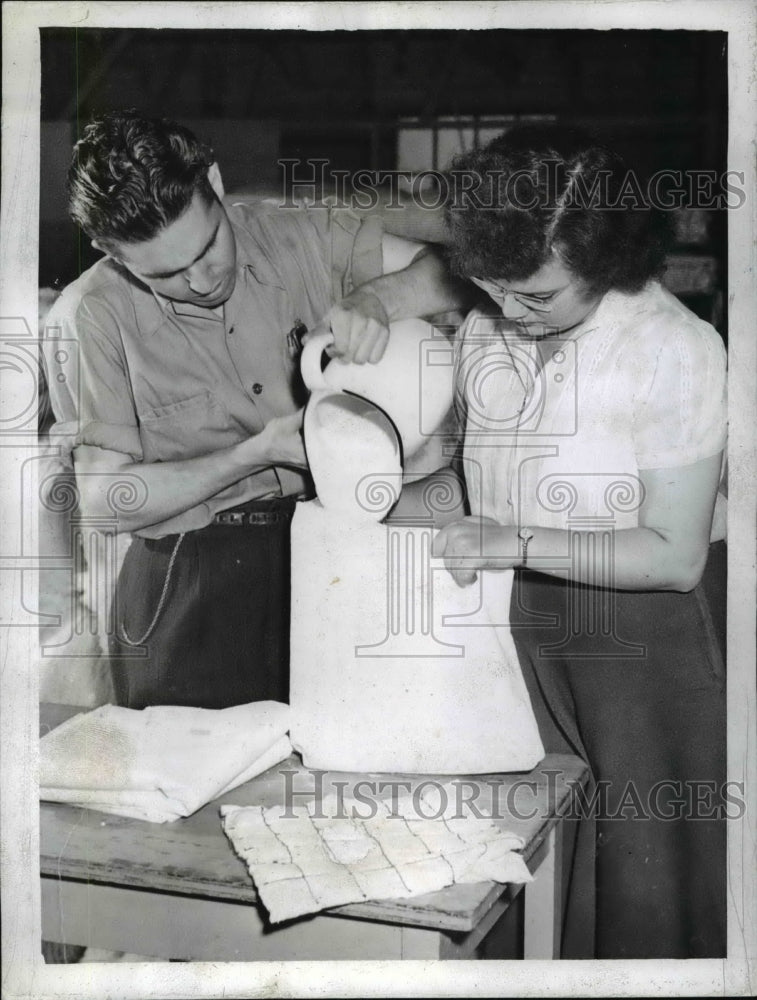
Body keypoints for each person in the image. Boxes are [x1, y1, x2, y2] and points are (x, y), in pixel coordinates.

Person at [400, 125, 727, 959]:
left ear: (609, 261)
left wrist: (505, 540)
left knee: (641, 882)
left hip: (647, 642)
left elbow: (672, 553)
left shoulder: (672, 350)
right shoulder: (492, 327)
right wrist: (378, 505)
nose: (510, 311)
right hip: (525, 619)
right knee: (528, 856)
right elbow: (472, 485)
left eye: (537, 295)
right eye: (492, 286)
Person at [41, 111, 466, 711]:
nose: (201, 279)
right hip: (187, 583)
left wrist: (378, 297)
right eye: (165, 275)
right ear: (110, 251)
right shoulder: (90, 318)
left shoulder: (302, 234)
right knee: (192, 791)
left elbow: (460, 270)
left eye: (208, 245)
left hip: (332, 552)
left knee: (336, 781)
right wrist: (252, 455)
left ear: (213, 183)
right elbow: (107, 500)